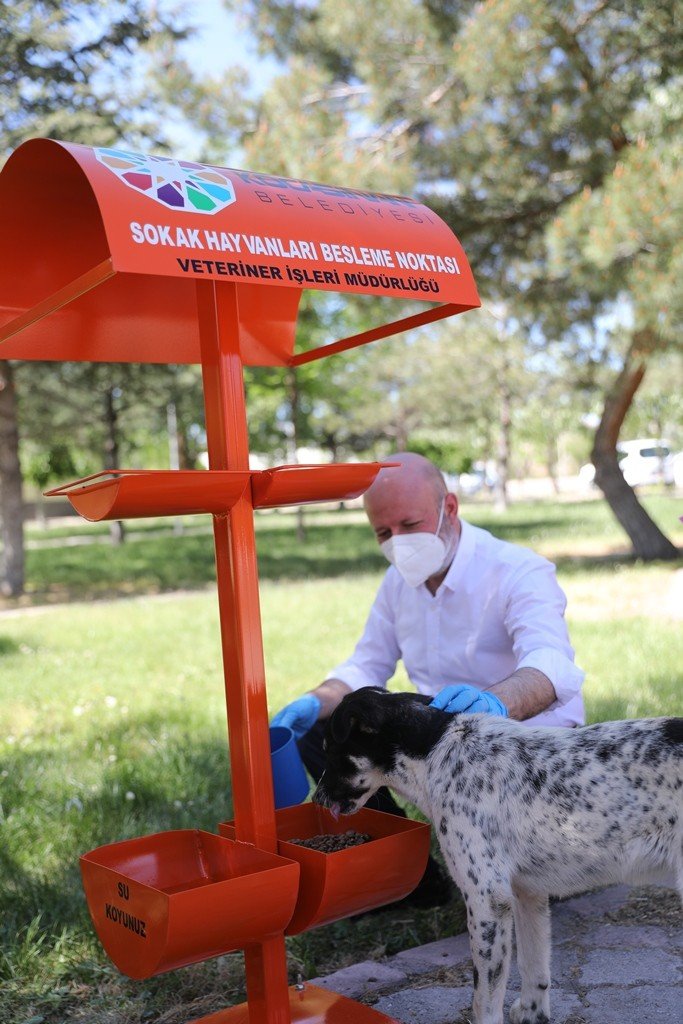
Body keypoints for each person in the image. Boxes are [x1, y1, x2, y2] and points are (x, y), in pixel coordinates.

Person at [272, 452, 585, 908]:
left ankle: (530, 859)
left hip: (520, 750)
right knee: (330, 726)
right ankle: (409, 883)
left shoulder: (517, 570)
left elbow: (551, 662)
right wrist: (311, 702)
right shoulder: (396, 584)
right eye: (383, 532)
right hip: (439, 747)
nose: (397, 542)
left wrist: (494, 705)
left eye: (409, 524)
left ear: (450, 509)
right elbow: (366, 666)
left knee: (523, 893)